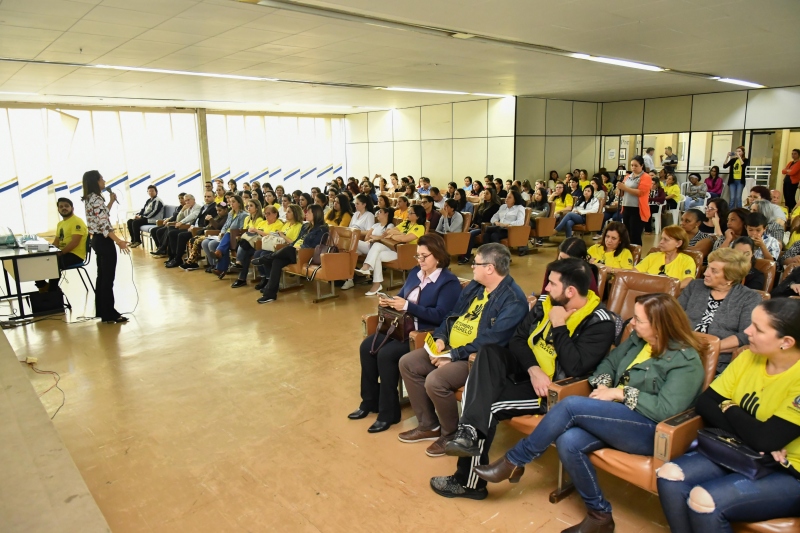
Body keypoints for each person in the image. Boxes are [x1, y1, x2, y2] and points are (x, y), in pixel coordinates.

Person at [476, 293, 704, 532]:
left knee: (571, 405)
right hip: (616, 417)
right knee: (568, 440)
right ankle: (600, 516)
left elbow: (667, 409)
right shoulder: (639, 340)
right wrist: (604, 385)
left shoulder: (685, 361)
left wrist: (619, 393)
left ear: (659, 326)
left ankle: (515, 459)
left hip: (649, 430)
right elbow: (609, 363)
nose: (631, 324)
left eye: (638, 320)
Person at [436, 258, 619, 498]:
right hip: (529, 372)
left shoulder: (600, 321)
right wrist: (533, 369)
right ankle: (468, 433)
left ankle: (468, 482)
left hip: (552, 390)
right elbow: (518, 339)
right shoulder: (546, 302)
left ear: (570, 291)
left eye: (552, 284)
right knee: (489, 352)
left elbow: (577, 367)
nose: (546, 289)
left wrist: (559, 326)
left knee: (486, 405)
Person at [657, 299, 800, 533]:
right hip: (741, 450)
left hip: (787, 469)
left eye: (758, 328)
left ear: (786, 342)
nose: (746, 331)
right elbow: (705, 403)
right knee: (669, 475)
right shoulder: (747, 357)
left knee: (704, 500)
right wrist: (755, 434)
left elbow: (765, 440)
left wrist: (729, 406)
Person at [398, 244, 528, 460]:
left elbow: (493, 339)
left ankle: (451, 434)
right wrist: (441, 338)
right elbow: (452, 315)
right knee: (408, 362)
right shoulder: (476, 287)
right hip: (451, 348)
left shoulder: (513, 300)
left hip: (474, 358)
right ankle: (428, 424)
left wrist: (452, 355)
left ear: (490, 268)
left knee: (435, 381)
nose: (471, 267)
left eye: (475, 263)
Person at [350, 234, 461, 433]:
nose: (420, 260)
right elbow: (402, 296)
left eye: (424, 256)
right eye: (417, 256)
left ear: (437, 255)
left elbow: (441, 316)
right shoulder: (415, 273)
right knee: (366, 347)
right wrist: (390, 301)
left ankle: (388, 413)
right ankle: (369, 402)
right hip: (401, 326)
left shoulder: (448, 282)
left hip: (421, 332)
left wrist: (409, 306)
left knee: (386, 355)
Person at [678, 247, 762, 371]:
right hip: (680, 349)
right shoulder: (695, 286)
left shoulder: (749, 298)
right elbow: (673, 316)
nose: (706, 273)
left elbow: (745, 335)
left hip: (717, 360)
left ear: (729, 278)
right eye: (708, 267)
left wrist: (709, 348)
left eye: (714, 271)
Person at [81, 170, 130, 324]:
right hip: (104, 241)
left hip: (96, 240)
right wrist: (119, 241)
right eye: (102, 178)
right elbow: (104, 225)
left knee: (101, 277)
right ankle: (110, 313)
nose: (104, 181)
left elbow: (101, 216)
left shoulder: (91, 198)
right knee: (108, 279)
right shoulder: (96, 199)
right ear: (95, 181)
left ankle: (103, 310)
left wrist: (110, 202)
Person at [255, 205, 328, 304]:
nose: (306, 213)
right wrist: (294, 246)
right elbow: (297, 240)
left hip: (305, 254)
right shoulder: (306, 226)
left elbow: (316, 245)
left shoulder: (322, 229)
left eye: (309, 212)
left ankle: (266, 258)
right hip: (293, 251)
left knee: (288, 249)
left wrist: (300, 248)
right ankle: (270, 295)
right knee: (277, 261)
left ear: (316, 214)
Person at [354, 205, 426, 296]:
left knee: (377, 255)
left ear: (418, 216)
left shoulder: (419, 227)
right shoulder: (405, 223)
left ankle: (375, 283)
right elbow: (390, 231)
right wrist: (400, 235)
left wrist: (396, 236)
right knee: (376, 245)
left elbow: (405, 239)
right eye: (408, 211)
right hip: (394, 248)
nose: (408, 213)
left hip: (405, 252)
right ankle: (367, 269)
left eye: (411, 212)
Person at [35, 198, 89, 292]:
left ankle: (52, 291)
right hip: (63, 253)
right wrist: (47, 251)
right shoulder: (60, 224)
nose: (64, 208)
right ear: (58, 210)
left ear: (72, 208)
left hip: (75, 255)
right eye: (61, 207)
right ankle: (44, 287)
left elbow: (74, 242)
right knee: (39, 261)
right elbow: (56, 242)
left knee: (52, 264)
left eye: (66, 206)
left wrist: (61, 253)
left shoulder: (77, 221)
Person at [230, 204, 283, 288]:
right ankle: (253, 277)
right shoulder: (262, 222)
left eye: (268, 213)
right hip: (255, 244)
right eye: (265, 213)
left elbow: (271, 236)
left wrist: (257, 231)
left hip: (267, 246)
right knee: (247, 252)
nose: (266, 215)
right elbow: (255, 232)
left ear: (275, 214)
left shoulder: (278, 223)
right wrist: (252, 231)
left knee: (252, 252)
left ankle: (241, 269)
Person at [165, 190, 217, 268]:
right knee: (172, 233)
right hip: (193, 227)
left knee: (181, 235)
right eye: (205, 196)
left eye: (209, 196)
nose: (206, 198)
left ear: (214, 197)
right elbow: (194, 219)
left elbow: (206, 223)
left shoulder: (214, 208)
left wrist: (194, 227)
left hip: (200, 229)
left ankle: (178, 258)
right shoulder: (204, 207)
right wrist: (191, 225)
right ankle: (173, 256)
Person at [201, 195, 246, 273]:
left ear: (239, 203)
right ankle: (217, 265)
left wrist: (229, 232)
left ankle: (219, 264)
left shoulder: (243, 214)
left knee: (215, 244)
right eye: (230, 202)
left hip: (235, 236)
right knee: (207, 242)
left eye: (233, 202)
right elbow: (225, 225)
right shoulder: (230, 213)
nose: (231, 204)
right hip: (226, 235)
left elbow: (242, 228)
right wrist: (221, 232)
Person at [180, 201, 228, 271]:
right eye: (217, 210)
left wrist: (211, 219)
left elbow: (218, 227)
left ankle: (191, 262)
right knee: (192, 240)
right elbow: (208, 225)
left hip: (214, 234)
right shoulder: (218, 216)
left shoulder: (226, 217)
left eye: (220, 210)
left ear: (225, 210)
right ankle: (194, 261)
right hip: (208, 233)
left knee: (197, 241)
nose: (218, 212)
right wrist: (207, 220)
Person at [459, 188, 502, 264]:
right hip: (478, 226)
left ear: (492, 195)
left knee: (471, 234)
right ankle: (462, 253)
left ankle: (467, 256)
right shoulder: (482, 204)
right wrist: (475, 223)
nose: (485, 195)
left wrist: (479, 225)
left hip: (486, 227)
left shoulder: (496, 206)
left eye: (487, 193)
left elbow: (491, 219)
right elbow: (476, 217)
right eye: (484, 193)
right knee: (464, 231)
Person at [151, 193, 201, 258]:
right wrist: (182, 210)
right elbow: (178, 219)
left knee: (171, 232)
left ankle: (169, 252)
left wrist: (181, 222)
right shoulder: (186, 208)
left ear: (194, 200)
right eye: (185, 201)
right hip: (185, 226)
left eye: (188, 200)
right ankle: (167, 252)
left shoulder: (197, 207)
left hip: (192, 228)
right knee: (169, 229)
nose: (187, 202)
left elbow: (192, 216)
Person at [617, 155, 652, 246]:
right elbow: (622, 192)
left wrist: (625, 188)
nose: (633, 167)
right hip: (626, 207)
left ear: (642, 166)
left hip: (637, 209)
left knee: (635, 235)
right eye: (632, 165)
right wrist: (619, 189)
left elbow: (640, 192)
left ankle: (637, 254)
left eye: (636, 165)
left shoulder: (646, 177)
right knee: (626, 234)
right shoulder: (627, 176)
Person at [782, 148, 800, 212]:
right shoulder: (790, 162)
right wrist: (788, 171)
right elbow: (783, 171)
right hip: (786, 181)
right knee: (786, 197)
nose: (793, 155)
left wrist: (787, 170)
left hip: (793, 183)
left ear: (798, 155)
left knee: (790, 198)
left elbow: (793, 172)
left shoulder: (799, 163)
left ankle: (794, 211)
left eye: (795, 154)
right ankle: (788, 211)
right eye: (792, 154)